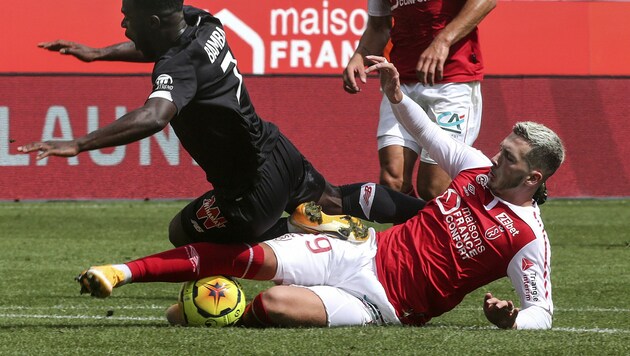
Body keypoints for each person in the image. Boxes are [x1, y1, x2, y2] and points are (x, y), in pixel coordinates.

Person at [77, 57, 565, 330]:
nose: (496, 158)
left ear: (533, 179)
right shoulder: (477, 169)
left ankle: (202, 310)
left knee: (276, 306)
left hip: (386, 304)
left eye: (510, 159)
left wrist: (513, 321)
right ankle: (120, 271)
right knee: (248, 257)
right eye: (501, 150)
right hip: (361, 249)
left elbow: (541, 310)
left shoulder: (526, 238)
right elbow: (436, 139)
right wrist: (397, 96)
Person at [19, 1, 424, 246]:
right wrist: (97, 54)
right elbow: (156, 46)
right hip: (277, 150)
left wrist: (79, 144)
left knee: (181, 232)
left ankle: (301, 233)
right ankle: (432, 215)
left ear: (156, 22)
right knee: (335, 199)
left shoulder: (176, 64)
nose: (124, 25)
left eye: (128, 18)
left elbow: (154, 116)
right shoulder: (203, 22)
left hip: (249, 190)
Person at [342, 0, 497, 201]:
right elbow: (379, 26)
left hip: (452, 84)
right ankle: (412, 232)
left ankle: (469, 226)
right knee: (393, 182)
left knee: (433, 188)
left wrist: (443, 40)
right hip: (401, 83)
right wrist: (360, 55)